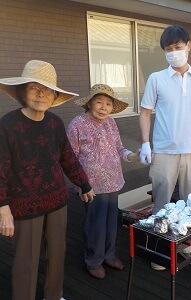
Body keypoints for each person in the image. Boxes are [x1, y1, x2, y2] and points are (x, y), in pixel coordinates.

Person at [0, 60, 95, 300]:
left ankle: (54, 295)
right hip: (24, 205)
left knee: (57, 254)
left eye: (48, 89)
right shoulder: (7, 125)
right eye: (34, 87)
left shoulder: (55, 123)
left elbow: (68, 158)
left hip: (56, 201)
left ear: (54, 96)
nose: (41, 93)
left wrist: (83, 183)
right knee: (25, 262)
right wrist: (3, 210)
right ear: (23, 91)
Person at [139, 25, 191, 270]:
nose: (174, 52)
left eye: (178, 47)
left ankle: (188, 247)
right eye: (169, 49)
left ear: (189, 46)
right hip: (164, 151)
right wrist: (145, 143)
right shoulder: (156, 78)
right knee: (161, 202)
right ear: (164, 52)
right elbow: (144, 113)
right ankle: (160, 250)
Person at [67, 84, 139, 280]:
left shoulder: (111, 123)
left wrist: (131, 156)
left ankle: (109, 255)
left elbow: (119, 148)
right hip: (91, 186)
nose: (103, 107)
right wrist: (81, 185)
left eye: (108, 104)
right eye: (99, 102)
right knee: (95, 224)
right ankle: (94, 260)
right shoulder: (77, 124)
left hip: (113, 181)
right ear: (90, 103)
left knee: (111, 222)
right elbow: (70, 158)